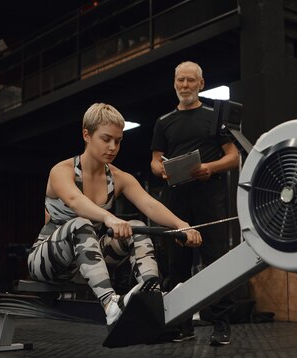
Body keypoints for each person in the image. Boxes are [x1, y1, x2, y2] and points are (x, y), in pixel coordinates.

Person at [27, 103, 202, 328]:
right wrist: (109, 218)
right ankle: (111, 305)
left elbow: (149, 204)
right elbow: (75, 201)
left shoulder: (119, 177)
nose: (113, 147)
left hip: (87, 264)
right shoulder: (62, 171)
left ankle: (154, 297)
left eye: (118, 141)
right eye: (106, 139)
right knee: (79, 224)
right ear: (86, 135)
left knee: (136, 226)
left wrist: (182, 225)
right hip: (47, 262)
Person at [150, 61, 240, 346]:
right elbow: (154, 160)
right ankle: (182, 324)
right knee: (178, 264)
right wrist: (160, 170)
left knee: (215, 259)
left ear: (201, 84)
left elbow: (234, 156)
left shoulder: (214, 116)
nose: (185, 86)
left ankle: (221, 323)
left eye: (190, 80)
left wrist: (210, 168)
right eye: (180, 80)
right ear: (174, 82)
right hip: (176, 199)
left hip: (210, 198)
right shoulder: (163, 122)